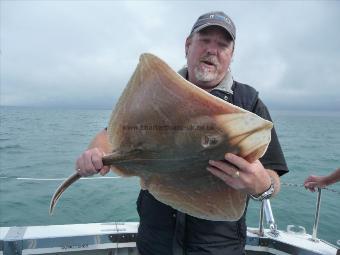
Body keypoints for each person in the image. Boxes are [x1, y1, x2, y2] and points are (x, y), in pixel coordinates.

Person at [75, 11, 289, 255]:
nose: (212, 50)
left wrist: (263, 186)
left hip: (218, 247)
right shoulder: (156, 93)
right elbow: (110, 137)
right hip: (155, 242)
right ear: (188, 45)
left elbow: (273, 175)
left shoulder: (249, 104)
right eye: (205, 40)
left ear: (231, 56)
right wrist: (95, 153)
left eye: (222, 45)